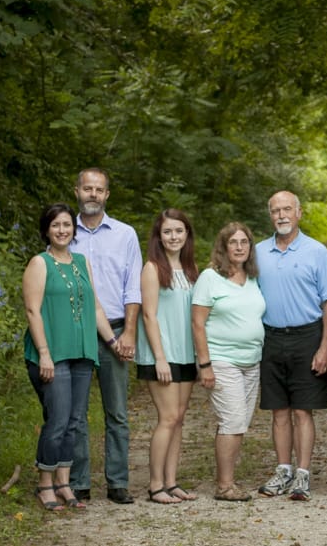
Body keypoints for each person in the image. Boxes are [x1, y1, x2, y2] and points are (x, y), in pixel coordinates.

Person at [23, 203, 120, 511]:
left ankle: (64, 484)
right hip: (52, 353)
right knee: (58, 420)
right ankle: (44, 484)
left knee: (76, 422)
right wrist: (44, 354)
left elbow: (95, 308)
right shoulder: (39, 263)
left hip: (81, 352)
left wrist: (112, 341)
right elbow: (32, 311)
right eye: (56, 225)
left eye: (67, 224)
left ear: (73, 230)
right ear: (46, 231)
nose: (62, 230)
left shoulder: (81, 262)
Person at [256, 191, 327, 501]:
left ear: (299, 213)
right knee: (279, 411)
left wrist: (324, 347)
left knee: (303, 411)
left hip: (308, 335)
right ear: (270, 215)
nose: (281, 215)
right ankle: (282, 470)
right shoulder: (258, 252)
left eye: (287, 209)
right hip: (271, 337)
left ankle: (302, 475)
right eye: (276, 210)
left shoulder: (317, 251)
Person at [70, 168, 143, 504]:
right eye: (88, 189)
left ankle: (118, 482)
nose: (93, 195)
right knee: (77, 411)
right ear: (77, 192)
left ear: (107, 195)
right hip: (76, 332)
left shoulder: (125, 235)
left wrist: (129, 331)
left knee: (117, 412)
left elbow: (133, 286)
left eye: (99, 190)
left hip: (115, 329)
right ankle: (79, 481)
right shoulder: (63, 232)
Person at [191, 222, 266, 502]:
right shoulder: (210, 277)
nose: (238, 247)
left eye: (244, 242)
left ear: (250, 247)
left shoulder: (253, 277)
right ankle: (224, 486)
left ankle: (228, 479)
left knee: (239, 423)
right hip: (222, 361)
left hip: (251, 361)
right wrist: (205, 364)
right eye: (233, 242)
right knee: (232, 421)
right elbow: (198, 324)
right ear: (223, 247)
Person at [136, 209, 200, 504]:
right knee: (168, 417)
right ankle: (155, 485)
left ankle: (172, 481)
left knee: (180, 418)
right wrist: (159, 357)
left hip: (186, 354)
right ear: (158, 237)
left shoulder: (190, 269)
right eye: (167, 232)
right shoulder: (152, 268)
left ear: (187, 234)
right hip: (161, 354)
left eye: (178, 231)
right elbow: (148, 315)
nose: (173, 237)